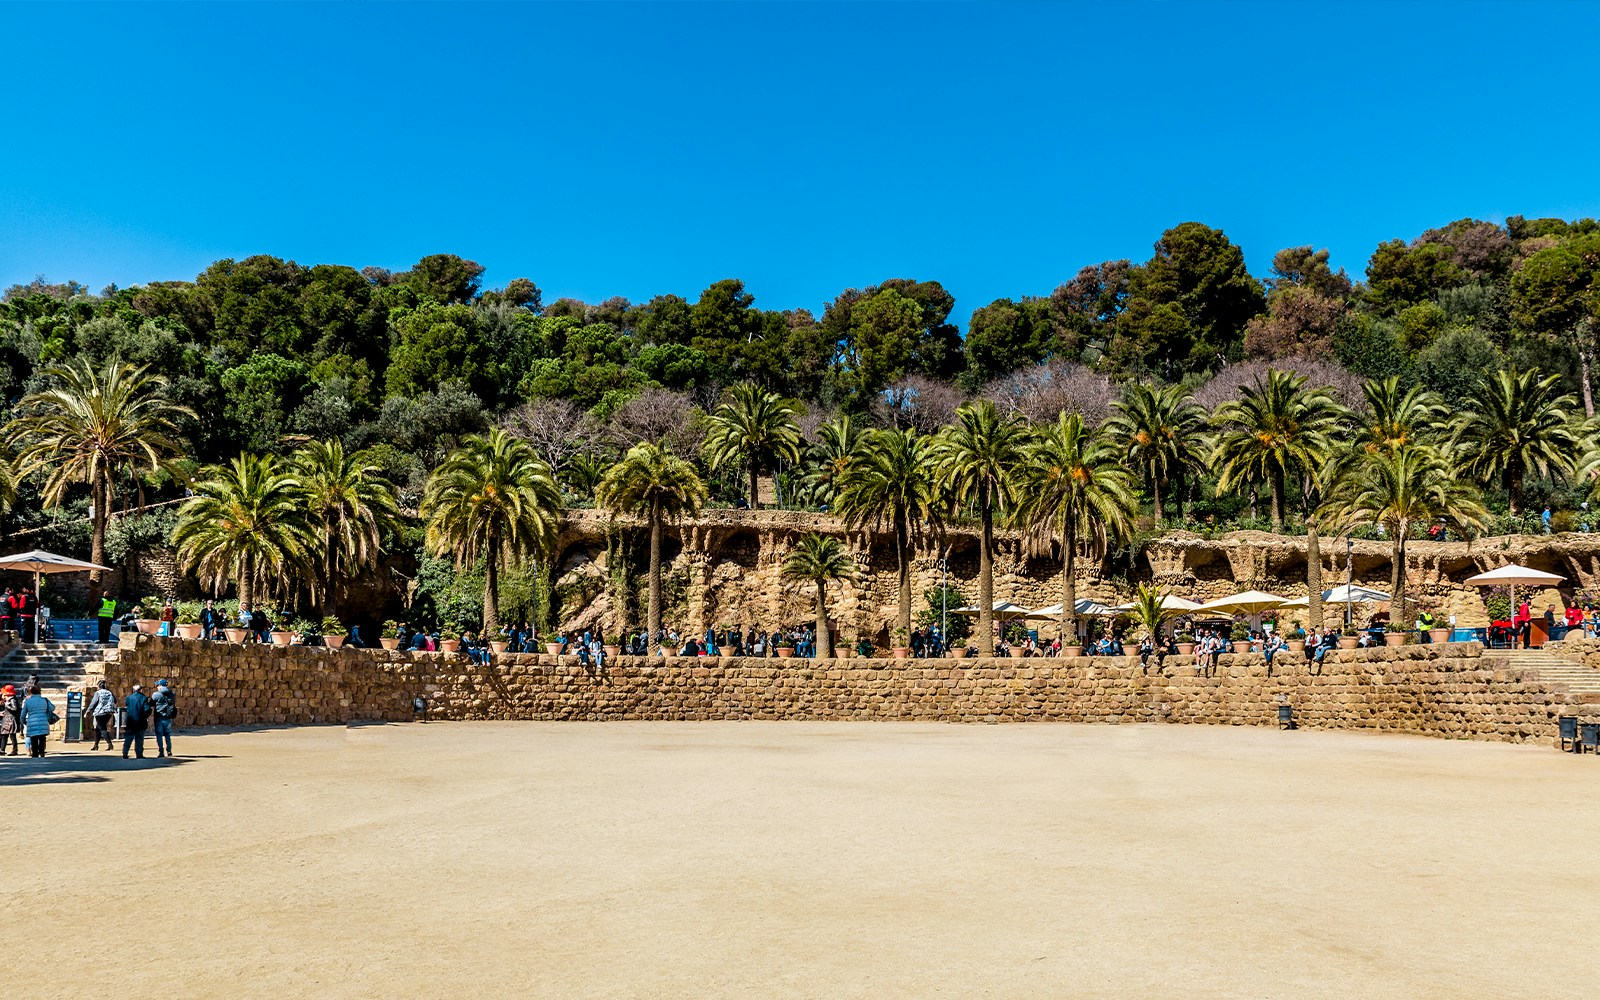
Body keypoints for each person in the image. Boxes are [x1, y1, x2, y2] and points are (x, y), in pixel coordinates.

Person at [21, 684, 54, 757]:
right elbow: (52, 708)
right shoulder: (45, 700)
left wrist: (23, 722)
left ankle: (35, 754)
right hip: (43, 721)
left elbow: (23, 714)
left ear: (30, 692)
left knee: (33, 739)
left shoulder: (28, 701)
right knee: (42, 738)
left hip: (31, 722)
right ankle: (42, 752)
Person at [122, 683, 152, 759]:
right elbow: (147, 709)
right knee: (139, 738)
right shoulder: (143, 698)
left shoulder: (129, 698)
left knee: (128, 737)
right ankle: (139, 754)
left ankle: (125, 752)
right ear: (140, 690)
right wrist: (146, 715)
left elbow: (126, 705)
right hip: (140, 721)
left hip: (130, 720)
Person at [88, 679, 117, 750]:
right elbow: (115, 701)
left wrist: (88, 711)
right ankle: (96, 745)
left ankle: (110, 744)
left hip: (100, 712)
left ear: (99, 686)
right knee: (98, 728)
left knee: (102, 728)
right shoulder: (110, 692)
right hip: (109, 712)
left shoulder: (98, 693)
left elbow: (93, 703)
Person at [151, 678, 177, 757]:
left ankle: (161, 751)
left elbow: (151, 703)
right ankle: (169, 750)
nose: (157, 687)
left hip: (159, 716)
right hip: (168, 716)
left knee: (159, 735)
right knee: (167, 734)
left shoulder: (156, 694)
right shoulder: (172, 694)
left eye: (158, 685)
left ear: (160, 686)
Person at [0, 683, 18, 754]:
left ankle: (14, 750)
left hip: (11, 720)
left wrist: (7, 706)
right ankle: (2, 749)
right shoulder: (8, 700)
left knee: (12, 735)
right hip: (6, 719)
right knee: (4, 735)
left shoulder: (12, 700)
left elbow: (15, 709)